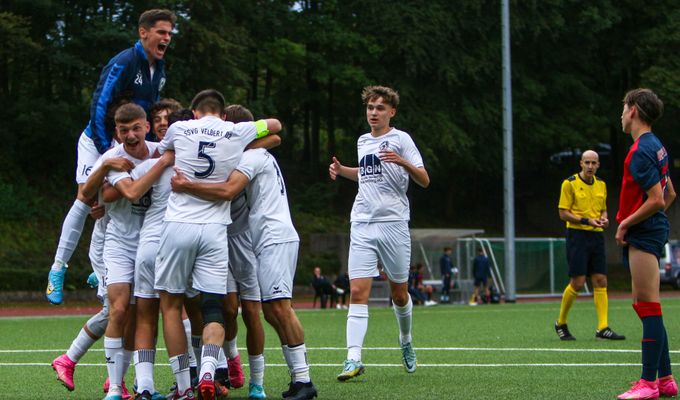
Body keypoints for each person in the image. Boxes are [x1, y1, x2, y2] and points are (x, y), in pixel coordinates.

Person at [154, 89, 280, 400]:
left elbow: (161, 154)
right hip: (215, 231)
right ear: (222, 114)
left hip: (179, 225)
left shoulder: (179, 128)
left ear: (194, 112)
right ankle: (210, 372)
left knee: (171, 307)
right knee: (214, 308)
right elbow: (275, 126)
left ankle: (185, 386)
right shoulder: (236, 130)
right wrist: (247, 139)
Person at [46, 9, 177, 305]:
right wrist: (106, 153)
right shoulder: (124, 61)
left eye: (170, 34)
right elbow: (100, 102)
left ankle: (100, 265)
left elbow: (151, 110)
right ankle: (57, 268)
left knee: (110, 203)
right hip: (98, 141)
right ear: (143, 32)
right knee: (87, 195)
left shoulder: (160, 67)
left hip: (129, 143)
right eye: (161, 32)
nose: (166, 38)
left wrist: (151, 144)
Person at [171, 146, 318, 400]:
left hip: (273, 238)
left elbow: (227, 190)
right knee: (272, 312)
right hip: (265, 239)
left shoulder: (251, 157)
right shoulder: (258, 153)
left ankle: (304, 379)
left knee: (280, 309)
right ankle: (298, 379)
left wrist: (187, 185)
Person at [328, 85, 430, 381]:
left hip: (394, 224)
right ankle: (352, 358)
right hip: (362, 223)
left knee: (399, 294)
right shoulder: (362, 141)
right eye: (370, 108)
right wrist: (342, 169)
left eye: (380, 108)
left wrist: (403, 161)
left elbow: (424, 180)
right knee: (358, 291)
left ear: (392, 112)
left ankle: (406, 340)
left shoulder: (402, 139)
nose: (374, 113)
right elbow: (366, 174)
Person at [615, 88, 678, 399]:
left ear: (634, 112)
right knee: (647, 306)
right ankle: (665, 380)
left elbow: (656, 199)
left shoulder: (640, 150)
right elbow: (669, 196)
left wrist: (627, 223)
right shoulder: (657, 146)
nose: (621, 114)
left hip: (643, 233)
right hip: (650, 230)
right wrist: (650, 221)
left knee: (647, 306)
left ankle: (648, 384)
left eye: (623, 108)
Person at [553, 150, 625, 341]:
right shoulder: (569, 184)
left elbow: (603, 210)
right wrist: (586, 221)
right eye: (587, 163)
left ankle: (603, 328)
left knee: (601, 280)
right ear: (581, 164)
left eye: (594, 163)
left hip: (597, 236)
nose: (591, 166)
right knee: (577, 282)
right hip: (577, 235)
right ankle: (560, 323)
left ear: (598, 165)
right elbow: (563, 213)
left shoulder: (601, 184)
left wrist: (605, 219)